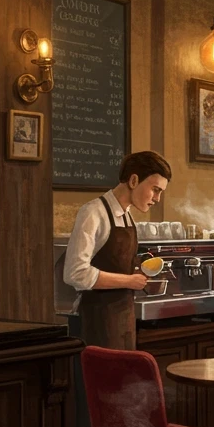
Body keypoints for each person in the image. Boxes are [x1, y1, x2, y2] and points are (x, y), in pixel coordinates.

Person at [64, 150, 172, 350]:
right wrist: (129, 281)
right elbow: (75, 273)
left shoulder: (127, 216)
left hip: (124, 321)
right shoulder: (93, 213)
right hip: (96, 323)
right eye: (155, 189)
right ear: (133, 180)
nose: (157, 199)